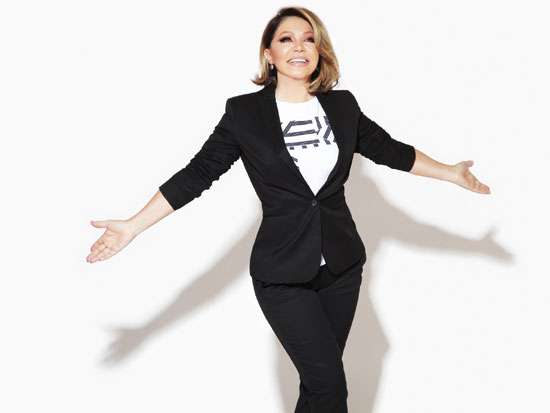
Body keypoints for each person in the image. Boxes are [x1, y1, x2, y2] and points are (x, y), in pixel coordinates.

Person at [86, 6, 490, 412]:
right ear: (269, 54)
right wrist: (133, 225)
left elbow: (390, 151)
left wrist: (450, 173)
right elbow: (199, 173)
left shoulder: (342, 106)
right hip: (282, 275)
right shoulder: (244, 114)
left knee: (317, 387)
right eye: (287, 39)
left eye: (309, 39)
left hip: (342, 270)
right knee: (330, 386)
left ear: (319, 50)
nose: (299, 46)